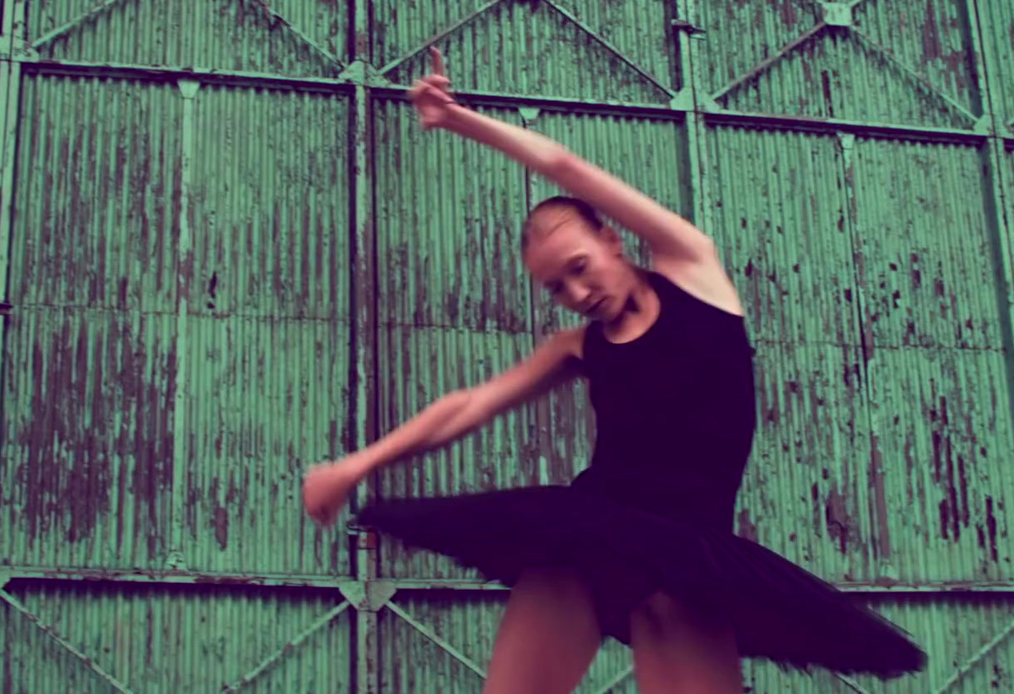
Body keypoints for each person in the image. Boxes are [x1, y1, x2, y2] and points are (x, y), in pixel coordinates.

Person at [302, 48, 925, 692]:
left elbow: (563, 165)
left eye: (579, 267)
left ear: (612, 240)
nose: (576, 293)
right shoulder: (577, 349)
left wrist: (458, 120)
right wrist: (357, 465)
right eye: (556, 289)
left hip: (687, 556)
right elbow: (469, 406)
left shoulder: (694, 270)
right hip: (587, 536)